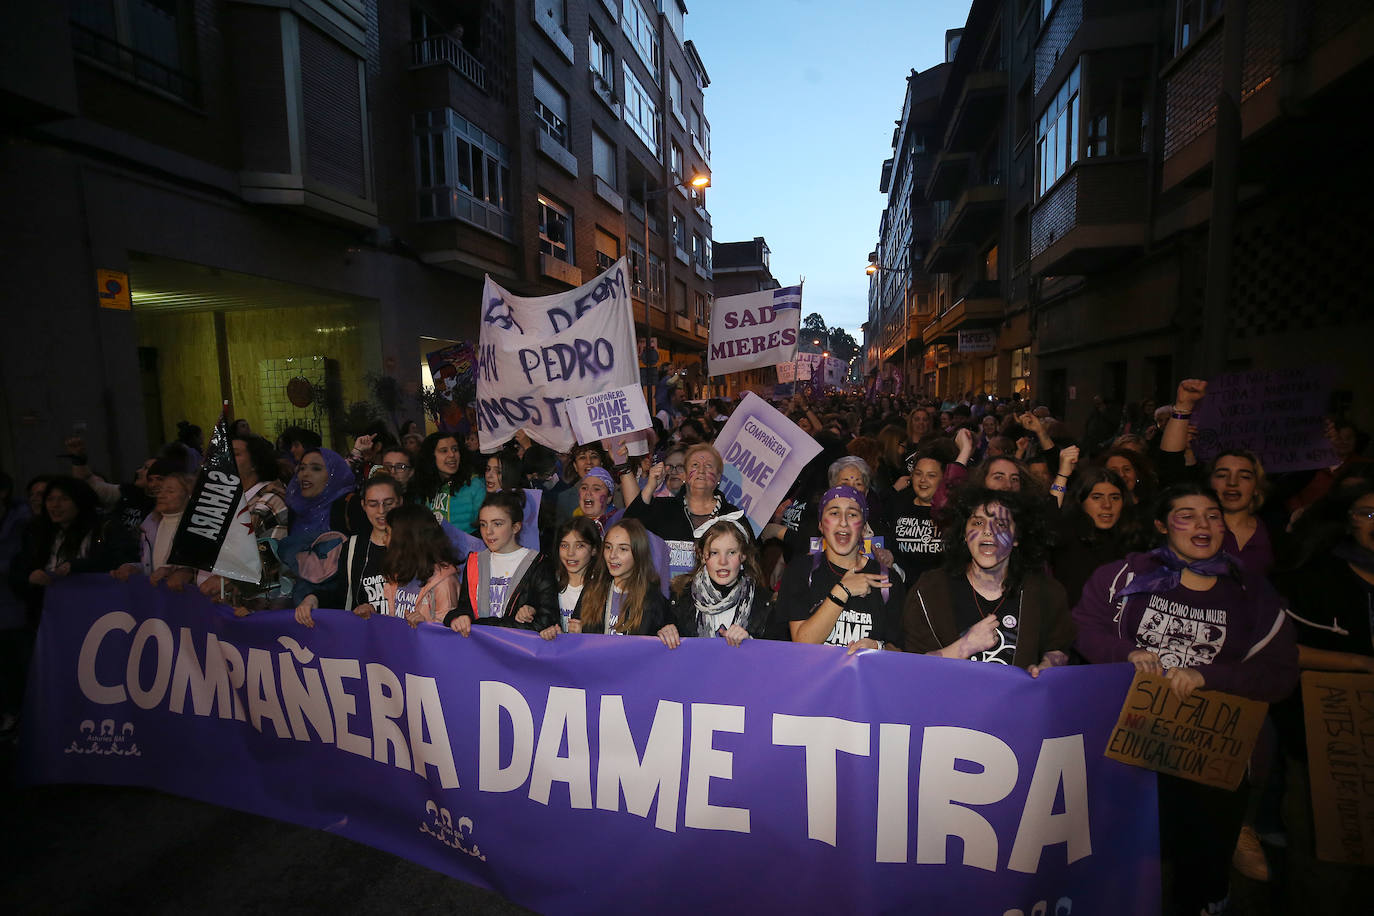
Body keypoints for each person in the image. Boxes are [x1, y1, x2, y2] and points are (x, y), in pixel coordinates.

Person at [1072, 482, 1298, 916]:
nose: (1203, 524)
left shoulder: (1253, 595)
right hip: (1130, 745)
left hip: (1209, 755)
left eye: (1212, 515)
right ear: (1162, 525)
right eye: (1187, 515)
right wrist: (1128, 653)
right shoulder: (1124, 577)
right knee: (1128, 857)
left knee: (1199, 868)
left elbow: (1280, 673)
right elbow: (1084, 628)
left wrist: (1208, 676)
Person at [904, 487, 1073, 674]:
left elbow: (1059, 647)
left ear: (1016, 537)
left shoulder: (1046, 592)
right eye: (977, 522)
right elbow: (913, 668)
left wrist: (1046, 668)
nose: (988, 531)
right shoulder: (930, 589)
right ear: (964, 533)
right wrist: (965, 646)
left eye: (1001, 524)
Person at [781, 486, 904, 652]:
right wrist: (843, 590)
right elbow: (803, 643)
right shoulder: (801, 571)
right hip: (815, 677)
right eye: (834, 513)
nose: (844, 522)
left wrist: (877, 647)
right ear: (820, 524)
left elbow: (899, 651)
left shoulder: (887, 580)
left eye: (852, 514)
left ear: (863, 526)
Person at [620, 443, 743, 581]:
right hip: (667, 597)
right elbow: (628, 527)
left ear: (719, 477)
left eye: (708, 466)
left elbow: (749, 560)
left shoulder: (733, 516)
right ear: (684, 474)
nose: (701, 470)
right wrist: (650, 486)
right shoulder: (664, 508)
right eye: (695, 465)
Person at [293, 475, 400, 628]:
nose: (381, 511)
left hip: (403, 637)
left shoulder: (414, 546)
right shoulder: (353, 546)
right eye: (373, 504)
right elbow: (342, 596)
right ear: (363, 505)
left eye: (388, 503)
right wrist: (313, 598)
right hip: (365, 638)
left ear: (400, 502)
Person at [446, 490, 558, 633]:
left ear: (515, 527)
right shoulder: (475, 561)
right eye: (483, 524)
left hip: (516, 651)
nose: (488, 532)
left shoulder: (538, 563)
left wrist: (481, 624)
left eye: (497, 524)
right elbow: (463, 608)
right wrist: (459, 618)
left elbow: (547, 621)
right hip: (479, 649)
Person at [659, 518, 773, 648]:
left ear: (743, 555)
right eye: (714, 553)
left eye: (731, 553)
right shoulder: (677, 598)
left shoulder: (765, 603)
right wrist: (663, 635)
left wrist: (750, 643)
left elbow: (777, 659)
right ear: (702, 556)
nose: (723, 562)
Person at [359, 503, 463, 632]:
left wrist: (424, 625)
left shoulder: (444, 582)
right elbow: (396, 624)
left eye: (388, 533)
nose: (384, 539)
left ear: (405, 541)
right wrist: (373, 615)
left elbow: (450, 635)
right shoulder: (398, 573)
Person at [1049, 467, 1142, 608]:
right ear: (1081, 501)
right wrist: (1062, 474)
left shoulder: (1133, 543)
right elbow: (1050, 518)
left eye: (1115, 498)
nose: (1107, 505)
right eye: (1097, 497)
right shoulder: (1067, 536)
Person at [570, 519, 671, 636]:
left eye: (623, 549)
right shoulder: (592, 589)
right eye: (608, 547)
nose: (612, 555)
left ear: (638, 552)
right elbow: (575, 640)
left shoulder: (652, 598)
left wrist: (668, 632)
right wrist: (576, 633)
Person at [538, 517, 602, 639]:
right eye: (564, 545)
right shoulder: (549, 582)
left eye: (579, 546)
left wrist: (587, 632)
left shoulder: (602, 588)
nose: (570, 553)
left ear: (594, 550)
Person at [410, 432, 484, 532]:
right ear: (431, 456)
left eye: (455, 449)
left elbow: (481, 525)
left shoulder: (474, 485)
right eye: (444, 451)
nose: (452, 454)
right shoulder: (422, 486)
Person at [574, 466, 622, 535]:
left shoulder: (619, 522)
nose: (588, 493)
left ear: (609, 498)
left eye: (596, 489)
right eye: (584, 488)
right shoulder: (573, 524)